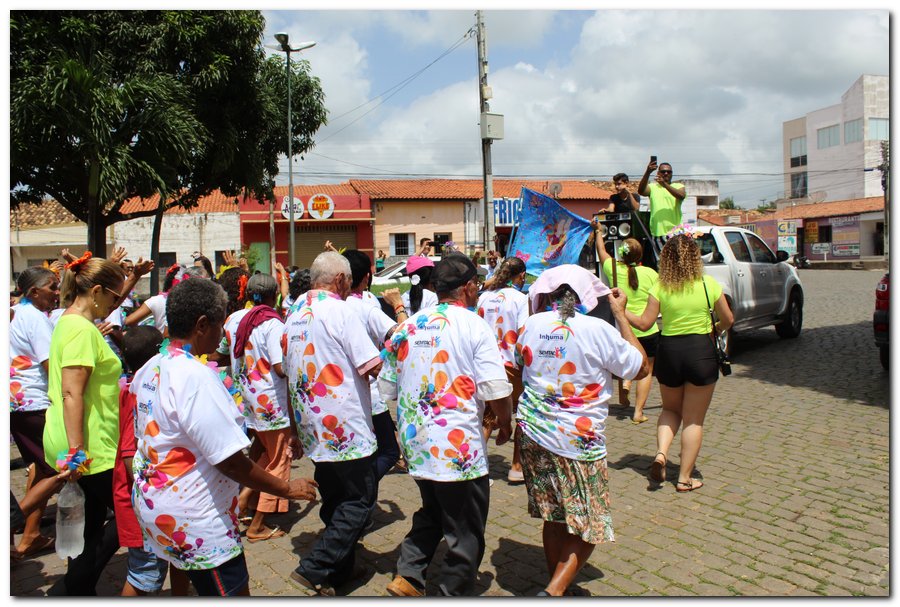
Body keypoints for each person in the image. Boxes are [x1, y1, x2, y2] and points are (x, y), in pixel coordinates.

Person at [131, 278, 318, 596]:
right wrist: (288, 488)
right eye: (220, 325)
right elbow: (231, 463)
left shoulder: (151, 367)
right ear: (202, 325)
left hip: (157, 504)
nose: (223, 335)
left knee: (183, 574)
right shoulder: (196, 377)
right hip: (196, 519)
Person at [380, 253, 514, 597]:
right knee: (465, 527)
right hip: (457, 449)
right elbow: (495, 388)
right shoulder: (473, 325)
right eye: (478, 285)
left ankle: (408, 574)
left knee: (435, 508)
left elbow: (386, 387)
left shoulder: (407, 326)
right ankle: (450, 592)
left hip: (418, 441)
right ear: (468, 288)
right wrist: (505, 422)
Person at [515, 264, 649, 596]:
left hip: (533, 432)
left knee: (554, 516)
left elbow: (520, 363)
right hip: (577, 440)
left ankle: (554, 584)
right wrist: (620, 315)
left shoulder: (531, 324)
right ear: (586, 297)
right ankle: (555, 592)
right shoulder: (597, 329)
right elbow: (641, 365)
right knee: (591, 522)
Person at [283, 252, 383, 596]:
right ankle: (315, 567)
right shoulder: (341, 310)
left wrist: (293, 428)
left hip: (313, 424)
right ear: (341, 280)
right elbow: (371, 365)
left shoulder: (294, 314)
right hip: (345, 425)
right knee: (359, 500)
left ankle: (341, 571)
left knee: (336, 498)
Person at [42, 254, 127, 595]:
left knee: (88, 524)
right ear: (96, 291)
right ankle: (72, 588)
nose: (117, 303)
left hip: (79, 440)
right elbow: (72, 393)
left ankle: (78, 589)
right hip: (88, 446)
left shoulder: (71, 321)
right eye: (115, 296)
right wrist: (76, 453)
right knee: (129, 515)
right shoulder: (79, 328)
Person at [625, 232, 733, 493]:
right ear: (695, 258)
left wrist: (620, 309)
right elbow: (728, 319)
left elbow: (644, 323)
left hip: (670, 352)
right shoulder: (708, 284)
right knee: (693, 420)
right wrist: (714, 329)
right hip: (701, 351)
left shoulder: (661, 286)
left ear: (667, 260)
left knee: (670, 410)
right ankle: (684, 479)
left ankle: (661, 454)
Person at [114, 326, 190, 596]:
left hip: (163, 500)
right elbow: (127, 454)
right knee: (145, 576)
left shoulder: (144, 388)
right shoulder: (134, 394)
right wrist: (153, 489)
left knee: (181, 560)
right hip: (144, 503)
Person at [228, 273, 302, 543]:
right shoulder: (271, 324)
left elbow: (224, 351)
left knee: (262, 455)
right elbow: (280, 368)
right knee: (280, 460)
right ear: (274, 296)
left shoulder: (235, 319)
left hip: (248, 399)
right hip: (272, 403)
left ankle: (243, 503)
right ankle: (258, 525)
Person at [342, 250, 406, 514]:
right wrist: (399, 306)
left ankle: (354, 498)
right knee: (390, 451)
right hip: (369, 392)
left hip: (340, 394)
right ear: (367, 277)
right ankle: (358, 496)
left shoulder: (328, 305)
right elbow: (403, 336)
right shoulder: (364, 307)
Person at [9, 267, 60, 558]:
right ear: (34, 292)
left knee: (41, 467)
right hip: (34, 402)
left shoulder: (18, 313)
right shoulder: (35, 318)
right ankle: (16, 524)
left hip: (20, 401)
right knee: (59, 469)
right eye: (51, 288)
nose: (56, 293)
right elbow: (49, 365)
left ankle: (31, 535)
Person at [594, 229, 660, 424]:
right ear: (640, 255)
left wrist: (598, 232)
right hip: (648, 330)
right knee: (646, 371)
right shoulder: (650, 273)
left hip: (623, 329)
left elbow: (601, 250)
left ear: (621, 253)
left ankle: (625, 387)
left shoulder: (613, 268)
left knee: (624, 359)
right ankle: (638, 412)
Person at [476, 256, 529, 483]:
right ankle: (516, 466)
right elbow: (523, 333)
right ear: (521, 276)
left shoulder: (483, 298)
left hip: (485, 364)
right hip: (511, 365)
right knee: (523, 414)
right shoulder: (520, 299)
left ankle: (478, 465)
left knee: (487, 415)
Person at [124, 264, 204, 335]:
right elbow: (167, 333)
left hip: (162, 347)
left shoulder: (156, 300)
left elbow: (129, 321)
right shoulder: (192, 302)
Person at [638, 160, 686, 252]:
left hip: (676, 233)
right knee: (662, 264)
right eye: (663, 171)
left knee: (677, 263)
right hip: (658, 233)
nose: (666, 173)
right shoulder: (653, 187)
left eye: (669, 171)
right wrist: (648, 172)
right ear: (658, 173)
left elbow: (681, 195)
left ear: (672, 173)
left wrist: (665, 184)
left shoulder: (678, 185)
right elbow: (641, 191)